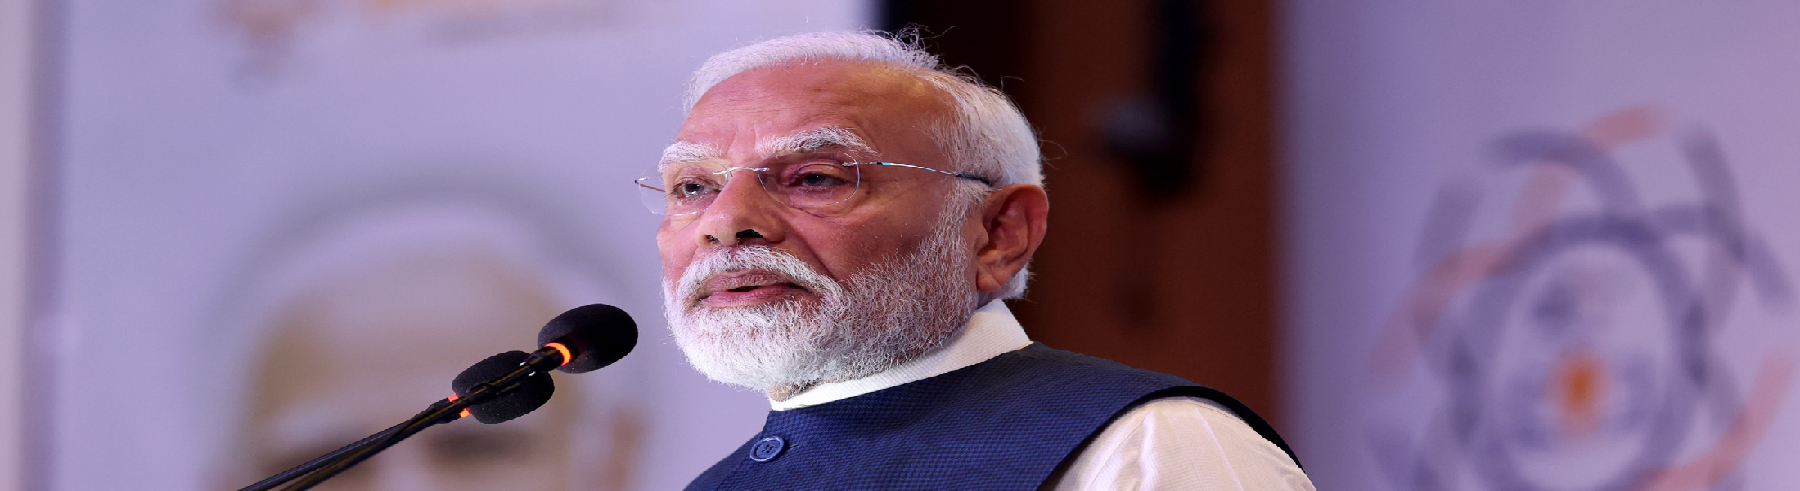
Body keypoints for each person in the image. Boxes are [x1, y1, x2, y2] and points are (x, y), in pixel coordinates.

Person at [646, 31, 1314, 490]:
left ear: (999, 232)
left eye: (816, 177)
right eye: (693, 187)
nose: (725, 222)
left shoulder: (1141, 446)